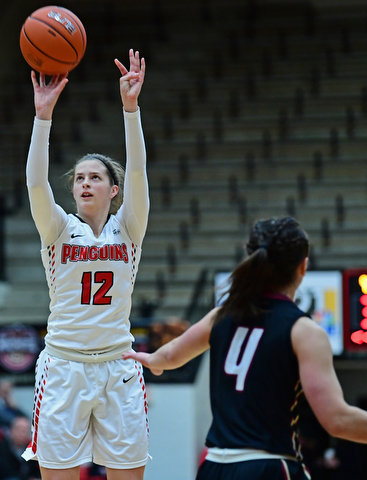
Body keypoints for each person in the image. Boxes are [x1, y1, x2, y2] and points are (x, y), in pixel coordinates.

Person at [123, 216, 367, 479]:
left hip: (214, 468)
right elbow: (337, 421)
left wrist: (149, 360)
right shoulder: (304, 331)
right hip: (267, 467)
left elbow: (169, 356)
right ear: (303, 266)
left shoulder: (221, 315)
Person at [22, 49, 150, 480]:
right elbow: (37, 183)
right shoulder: (58, 230)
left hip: (119, 366)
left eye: (95, 177)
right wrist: (43, 117)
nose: (84, 183)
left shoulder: (128, 228)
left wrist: (129, 110)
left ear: (113, 191)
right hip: (64, 366)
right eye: (79, 177)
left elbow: (138, 175)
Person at [0, 415, 41, 480]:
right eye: (19, 430)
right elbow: (6, 472)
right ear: (11, 429)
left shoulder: (30, 451)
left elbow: (35, 471)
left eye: (25, 431)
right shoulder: (3, 448)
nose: (22, 434)